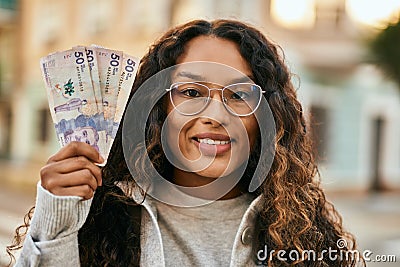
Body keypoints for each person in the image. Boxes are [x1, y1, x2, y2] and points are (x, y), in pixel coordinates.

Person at [8, 19, 363, 267]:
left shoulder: (300, 231)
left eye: (238, 95)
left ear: (267, 116)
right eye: (191, 92)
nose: (215, 114)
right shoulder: (102, 215)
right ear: (158, 109)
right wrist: (56, 218)